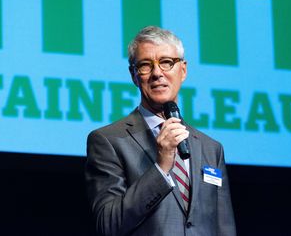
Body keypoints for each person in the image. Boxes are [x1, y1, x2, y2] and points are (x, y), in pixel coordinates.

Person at [85, 26, 236, 236]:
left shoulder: (211, 148)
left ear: (183, 70)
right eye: (146, 65)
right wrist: (161, 167)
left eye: (166, 62)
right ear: (134, 75)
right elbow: (108, 224)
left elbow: (224, 227)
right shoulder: (108, 141)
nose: (157, 73)